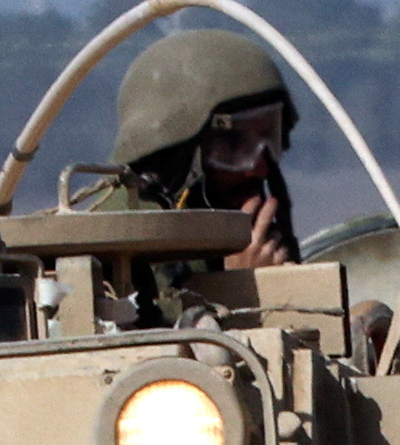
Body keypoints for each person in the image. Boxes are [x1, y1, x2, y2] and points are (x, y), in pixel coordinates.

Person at [100, 23, 302, 269]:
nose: (258, 169)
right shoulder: (112, 247)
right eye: (233, 143)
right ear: (174, 158)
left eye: (269, 138)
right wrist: (241, 285)